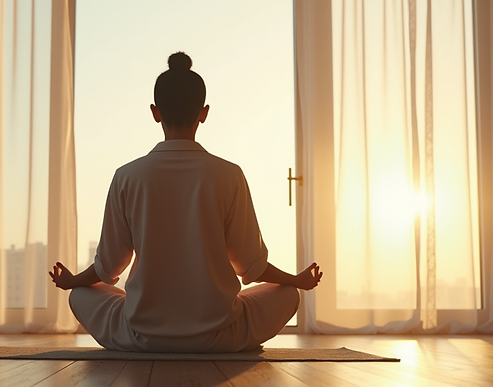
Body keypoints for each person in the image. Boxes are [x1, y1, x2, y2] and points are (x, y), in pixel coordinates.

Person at [49, 52, 322, 352]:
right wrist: (296, 280)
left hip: (141, 336)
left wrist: (73, 281)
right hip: (220, 336)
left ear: (155, 112)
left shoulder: (127, 176)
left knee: (79, 295)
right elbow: (252, 267)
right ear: (203, 112)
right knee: (288, 295)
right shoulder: (229, 175)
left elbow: (108, 268)